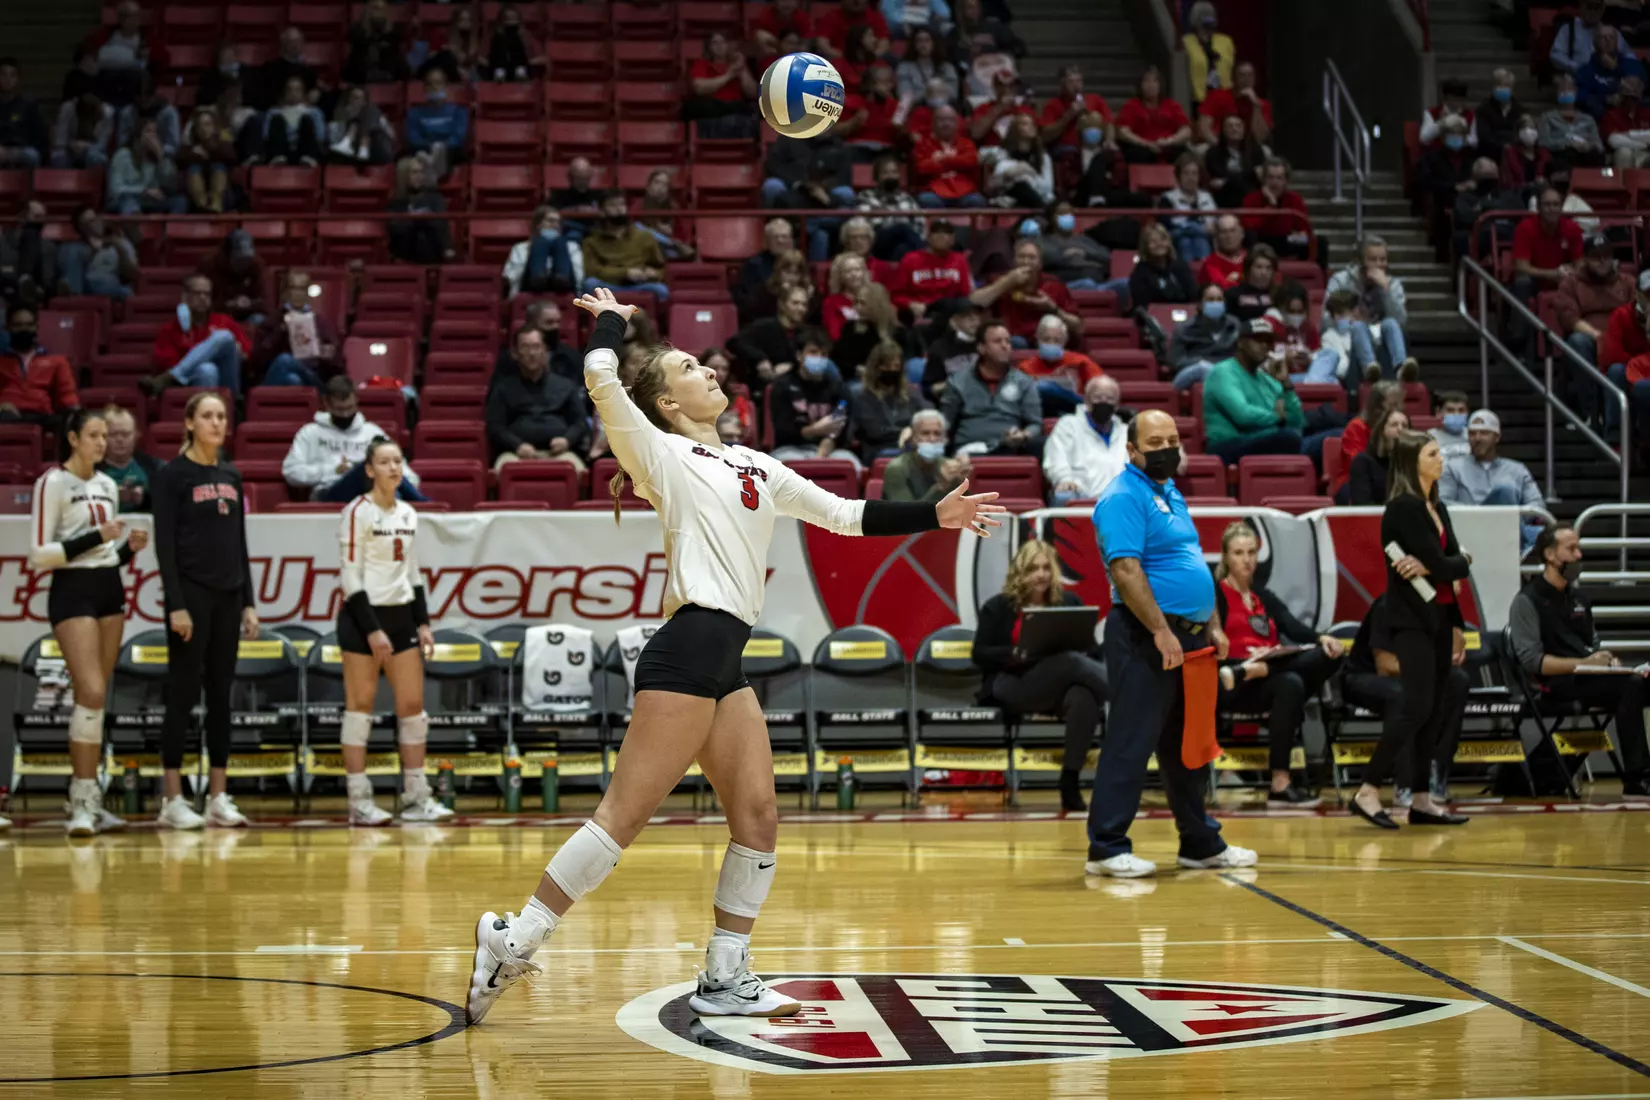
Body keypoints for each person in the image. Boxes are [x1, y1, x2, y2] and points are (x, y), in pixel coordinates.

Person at [462, 287, 1003, 1025]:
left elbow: (845, 516)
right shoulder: (657, 449)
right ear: (667, 401)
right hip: (688, 649)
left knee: (757, 817)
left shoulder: (756, 464)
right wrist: (616, 322)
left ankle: (724, 973)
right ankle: (513, 937)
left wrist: (932, 516)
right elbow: (599, 374)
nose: (710, 371)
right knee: (622, 817)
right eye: (691, 367)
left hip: (727, 659)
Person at [1086, 409, 1254, 876]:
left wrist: (1214, 624)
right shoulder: (1122, 497)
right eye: (1155, 442)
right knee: (1131, 740)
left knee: (1188, 745)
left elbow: (1193, 563)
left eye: (1173, 439)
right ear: (1132, 450)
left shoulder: (1170, 493)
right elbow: (1126, 569)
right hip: (1145, 634)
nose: (1167, 449)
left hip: (1190, 636)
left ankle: (1199, 843)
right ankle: (1107, 846)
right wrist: (1161, 631)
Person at [28, 409, 146, 835]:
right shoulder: (53, 482)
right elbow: (41, 554)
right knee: (91, 690)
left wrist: (128, 550)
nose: (103, 443)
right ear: (73, 438)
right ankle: (81, 801)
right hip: (71, 590)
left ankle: (88, 800)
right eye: (94, 435)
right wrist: (96, 537)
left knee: (95, 699)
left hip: (108, 588)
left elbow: (107, 554)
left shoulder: (107, 484)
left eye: (107, 435)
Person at [1352, 431, 1472, 829]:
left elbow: (1454, 561)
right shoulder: (1403, 508)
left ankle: (1421, 799)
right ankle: (1368, 790)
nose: (1441, 459)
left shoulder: (1437, 505)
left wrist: (1449, 562)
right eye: (1432, 454)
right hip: (1410, 621)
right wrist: (1445, 563)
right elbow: (1445, 563)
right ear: (1411, 462)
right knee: (1416, 707)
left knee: (1433, 711)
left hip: (1439, 618)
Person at [151, 392, 259, 830]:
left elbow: (240, 543)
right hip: (190, 598)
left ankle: (217, 795)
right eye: (208, 416)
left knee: (220, 695)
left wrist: (249, 600)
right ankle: (172, 798)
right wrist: (176, 604)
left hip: (229, 595)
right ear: (190, 423)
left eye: (221, 416)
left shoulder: (231, 473)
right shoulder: (172, 475)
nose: (217, 423)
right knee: (182, 693)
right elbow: (164, 545)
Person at [334, 437, 453, 825]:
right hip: (362, 620)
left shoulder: (407, 513)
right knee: (360, 710)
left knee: (413, 711)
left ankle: (416, 798)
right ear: (369, 470)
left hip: (401, 618)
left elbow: (413, 572)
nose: (392, 469)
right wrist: (372, 631)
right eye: (383, 462)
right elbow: (350, 576)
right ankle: (359, 800)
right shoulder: (357, 512)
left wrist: (423, 623)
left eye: (397, 462)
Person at [1510, 522, 1649, 795]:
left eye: (1579, 548)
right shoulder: (1527, 601)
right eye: (1571, 549)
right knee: (1631, 687)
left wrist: (1608, 660)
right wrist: (1584, 664)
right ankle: (1638, 776)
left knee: (1640, 682)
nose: (1579, 556)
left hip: (1591, 678)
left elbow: (1593, 644)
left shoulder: (1581, 599)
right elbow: (1533, 662)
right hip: (1554, 684)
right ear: (1550, 555)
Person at [1212, 522, 1343, 804]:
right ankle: (1281, 783)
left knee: (1328, 656)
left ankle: (1280, 784)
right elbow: (1211, 649)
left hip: (1265, 676)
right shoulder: (1217, 595)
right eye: (1238, 553)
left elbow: (1295, 629)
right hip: (1231, 682)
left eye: (1251, 552)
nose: (1246, 560)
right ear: (1225, 557)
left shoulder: (1263, 597)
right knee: (1291, 682)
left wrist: (1323, 638)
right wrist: (1242, 664)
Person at [975, 539, 1108, 812]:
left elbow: (1092, 652)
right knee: (1071, 662)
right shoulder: (998, 606)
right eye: (1033, 568)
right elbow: (979, 654)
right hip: (1013, 685)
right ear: (1020, 572)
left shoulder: (1069, 602)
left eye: (1046, 567)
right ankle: (1129, 695)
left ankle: (1069, 781)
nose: (1041, 574)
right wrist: (1015, 652)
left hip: (1056, 686)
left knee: (1084, 697)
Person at [1341, 593, 1469, 809]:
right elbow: (1385, 666)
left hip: (1412, 675)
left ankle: (1435, 774)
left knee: (1458, 680)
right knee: (1404, 695)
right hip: (1365, 678)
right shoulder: (1388, 606)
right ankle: (1405, 784)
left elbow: (1455, 653)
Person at [284, 376, 424, 502]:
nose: (345, 414)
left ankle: (421, 505)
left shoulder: (371, 432)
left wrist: (408, 480)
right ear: (326, 404)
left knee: (391, 491)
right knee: (369, 467)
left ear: (356, 401)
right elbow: (291, 471)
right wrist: (334, 469)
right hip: (329, 492)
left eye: (349, 408)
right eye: (339, 409)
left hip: (371, 492)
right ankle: (425, 504)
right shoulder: (310, 433)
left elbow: (401, 467)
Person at [1439, 409, 1547, 551]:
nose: (1477, 438)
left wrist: (1513, 520)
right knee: (1505, 491)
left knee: (1551, 536)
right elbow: (1443, 502)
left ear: (1496, 437)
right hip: (1471, 529)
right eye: (1472, 433)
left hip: (1510, 531)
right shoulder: (1452, 467)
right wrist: (1485, 514)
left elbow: (1537, 505)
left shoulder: (1517, 469)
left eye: (1484, 433)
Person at [487, 327, 593, 471]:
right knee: (502, 470)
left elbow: (580, 422)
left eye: (536, 347)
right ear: (515, 353)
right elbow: (495, 426)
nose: (531, 353)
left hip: (561, 453)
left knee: (578, 471)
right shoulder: (503, 388)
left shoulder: (566, 386)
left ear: (545, 351)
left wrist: (567, 440)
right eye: (525, 347)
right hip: (515, 453)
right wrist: (516, 445)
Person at [1202, 319, 1307, 464]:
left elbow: (1296, 420)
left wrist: (1286, 383)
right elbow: (1243, 415)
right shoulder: (1223, 372)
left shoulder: (1266, 378)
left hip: (1265, 441)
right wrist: (1279, 416)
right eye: (1258, 340)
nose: (1264, 346)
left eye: (1268, 341)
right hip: (1228, 446)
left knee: (1328, 434)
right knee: (1290, 438)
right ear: (1240, 343)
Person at [1554, 233, 1634, 422]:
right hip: (1590, 337)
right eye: (1596, 257)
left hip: (1623, 338)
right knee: (1577, 341)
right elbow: (1569, 318)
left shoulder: (1627, 282)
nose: (1602, 261)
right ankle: (1589, 410)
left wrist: (1614, 337)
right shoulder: (1571, 283)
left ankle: (1618, 419)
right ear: (1585, 259)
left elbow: (1637, 313)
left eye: (1606, 256)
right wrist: (1598, 335)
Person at [939, 320, 1044, 457]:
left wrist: (1023, 435)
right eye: (997, 341)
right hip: (970, 449)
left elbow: (1035, 424)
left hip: (1009, 446)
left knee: (1042, 444)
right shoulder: (958, 381)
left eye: (1008, 341)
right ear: (982, 348)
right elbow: (945, 423)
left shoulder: (1023, 381)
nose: (1005, 346)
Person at [1324, 236, 1414, 382]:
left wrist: (1386, 291)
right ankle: (1369, 370)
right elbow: (1325, 319)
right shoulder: (1340, 281)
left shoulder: (1393, 284)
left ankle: (1401, 369)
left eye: (1383, 259)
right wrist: (1349, 322)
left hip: (1382, 342)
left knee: (1390, 323)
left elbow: (1401, 322)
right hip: (1349, 340)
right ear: (1360, 262)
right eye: (1373, 259)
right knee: (1359, 326)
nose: (1379, 264)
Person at [145, 274, 251, 396]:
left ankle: (172, 376)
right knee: (207, 370)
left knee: (225, 336)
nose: (202, 298)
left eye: (207, 294)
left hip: (227, 382)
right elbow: (165, 363)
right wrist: (204, 352)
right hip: (189, 384)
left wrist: (236, 351)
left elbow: (247, 355)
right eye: (197, 293)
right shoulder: (170, 329)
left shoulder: (223, 321)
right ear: (185, 297)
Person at [975, 238, 1081, 347]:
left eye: (1031, 257)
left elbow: (1078, 327)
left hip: (1044, 341)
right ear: (1014, 261)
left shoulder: (1053, 285)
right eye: (1021, 256)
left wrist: (1053, 309)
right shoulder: (1001, 280)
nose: (1026, 262)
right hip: (1011, 342)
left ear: (1040, 264)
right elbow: (974, 301)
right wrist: (1006, 283)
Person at [1044, 374, 1128, 505]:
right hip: (1079, 494)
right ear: (1087, 401)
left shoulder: (1126, 431)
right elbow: (1056, 458)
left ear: (1117, 405)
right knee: (1063, 495)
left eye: (1110, 398)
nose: (1104, 402)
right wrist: (1064, 479)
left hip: (1121, 499)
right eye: (1098, 397)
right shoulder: (1068, 425)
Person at [255, 269, 342, 388]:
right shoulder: (273, 320)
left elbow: (337, 363)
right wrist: (280, 331)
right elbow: (258, 359)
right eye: (294, 288)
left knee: (286, 361)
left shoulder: (320, 322)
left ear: (307, 292)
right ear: (286, 292)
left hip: (311, 375)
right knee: (292, 379)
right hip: (278, 374)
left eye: (302, 288)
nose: (298, 293)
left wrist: (329, 355)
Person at [847, 340, 929, 463]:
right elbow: (851, 433)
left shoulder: (911, 393)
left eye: (895, 366)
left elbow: (931, 417)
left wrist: (912, 430)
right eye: (885, 366)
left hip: (911, 449)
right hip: (877, 453)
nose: (891, 370)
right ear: (875, 368)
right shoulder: (859, 396)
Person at [582, 191, 670, 303]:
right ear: (602, 211)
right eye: (612, 205)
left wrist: (652, 274)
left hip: (640, 285)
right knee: (589, 284)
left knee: (661, 290)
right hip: (609, 285)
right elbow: (592, 270)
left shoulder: (645, 236)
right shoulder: (591, 241)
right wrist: (625, 273)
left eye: (622, 204)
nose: (619, 209)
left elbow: (660, 267)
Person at [0, 305, 80, 425]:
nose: (24, 329)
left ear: (36, 327)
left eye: (28, 325)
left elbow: (67, 396)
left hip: (43, 419)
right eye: (18, 325)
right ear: (7, 328)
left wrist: (75, 414)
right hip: (6, 419)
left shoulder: (57, 361)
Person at [1512, 186, 1586, 313]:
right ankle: (1520, 333)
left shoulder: (1572, 228)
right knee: (1522, 282)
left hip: (1563, 278)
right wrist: (1552, 274)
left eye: (1556, 204)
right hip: (1535, 279)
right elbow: (1521, 267)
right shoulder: (1525, 228)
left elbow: (1580, 263)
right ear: (1539, 208)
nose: (1552, 209)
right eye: (1547, 205)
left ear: (1561, 207)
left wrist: (1571, 272)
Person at [891, 218, 976, 322]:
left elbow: (964, 294)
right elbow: (896, 295)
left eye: (946, 233)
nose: (941, 236)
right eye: (937, 232)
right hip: (921, 311)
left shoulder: (960, 260)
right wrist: (910, 304)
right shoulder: (910, 259)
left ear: (953, 238)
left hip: (949, 313)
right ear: (929, 237)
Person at [1599, 269, 1650, 440]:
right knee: (1616, 371)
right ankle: (1616, 437)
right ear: (1637, 294)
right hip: (1631, 372)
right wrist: (1640, 364)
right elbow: (1613, 356)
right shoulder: (1621, 315)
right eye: (1648, 294)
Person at [880, 409, 971, 500]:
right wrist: (941, 486)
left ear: (944, 439)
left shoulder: (949, 466)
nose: (932, 439)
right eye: (925, 433)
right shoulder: (896, 468)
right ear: (913, 438)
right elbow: (905, 512)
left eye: (937, 433)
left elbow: (964, 507)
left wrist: (962, 483)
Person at [1019, 315, 1100, 415]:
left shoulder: (1081, 362)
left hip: (1077, 413)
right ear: (1038, 340)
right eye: (1046, 339)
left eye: (1057, 340)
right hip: (1039, 413)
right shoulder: (1025, 367)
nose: (1051, 344)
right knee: (1041, 387)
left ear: (1064, 342)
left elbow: (1100, 388)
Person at [1168, 283, 1241, 391]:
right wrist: (1199, 361)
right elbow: (1175, 361)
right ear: (1200, 304)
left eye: (1219, 299)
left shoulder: (1233, 325)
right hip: (1194, 371)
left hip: (1226, 370)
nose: (1216, 303)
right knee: (1204, 368)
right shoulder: (1185, 329)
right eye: (1210, 300)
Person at [685, 31, 758, 138]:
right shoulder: (702, 64)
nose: (719, 46)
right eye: (715, 43)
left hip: (735, 109)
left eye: (723, 42)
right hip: (712, 110)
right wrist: (729, 75)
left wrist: (741, 68)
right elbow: (699, 88)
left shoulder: (738, 65)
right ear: (709, 47)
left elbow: (753, 92)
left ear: (728, 45)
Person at [105, 117, 185, 215]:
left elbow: (171, 185)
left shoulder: (154, 157)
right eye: (148, 131)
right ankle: (135, 230)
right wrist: (143, 190)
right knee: (130, 203)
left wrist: (161, 157)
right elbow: (116, 188)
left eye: (155, 132)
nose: (152, 136)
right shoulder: (122, 155)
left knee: (180, 202)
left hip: (147, 201)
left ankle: (169, 230)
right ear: (138, 135)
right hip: (124, 200)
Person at [1268, 282, 1342, 384]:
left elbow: (1317, 356)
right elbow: (1263, 362)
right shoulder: (1269, 326)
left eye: (1300, 311)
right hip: (1282, 379)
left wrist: (1309, 360)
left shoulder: (1308, 328)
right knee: (1332, 382)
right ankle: (1314, 383)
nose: (1296, 316)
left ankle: (1312, 382)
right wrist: (1285, 359)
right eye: (1291, 311)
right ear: (1280, 309)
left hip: (1306, 376)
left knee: (1331, 353)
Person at [1241, 159, 1313, 263]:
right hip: (1260, 241)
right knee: (1249, 236)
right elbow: (1247, 225)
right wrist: (1271, 206)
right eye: (1270, 177)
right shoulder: (1251, 199)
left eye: (1279, 178)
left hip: (1285, 240)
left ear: (1286, 181)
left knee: (1319, 242)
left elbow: (1305, 232)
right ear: (1263, 180)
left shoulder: (1295, 199)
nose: (1274, 182)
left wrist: (1300, 235)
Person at [912, 106, 984, 209]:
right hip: (934, 192)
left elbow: (970, 161)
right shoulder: (923, 144)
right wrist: (956, 161)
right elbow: (922, 168)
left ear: (957, 123)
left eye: (950, 120)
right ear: (933, 124)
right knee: (926, 200)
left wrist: (942, 159)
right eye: (941, 120)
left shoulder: (967, 144)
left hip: (965, 191)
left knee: (977, 201)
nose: (946, 124)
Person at [1116, 66, 1191, 164]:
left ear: (1160, 85)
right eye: (1147, 81)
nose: (1150, 85)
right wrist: (1145, 143)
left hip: (1168, 146)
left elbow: (1186, 130)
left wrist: (1169, 141)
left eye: (1155, 82)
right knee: (1136, 153)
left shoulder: (1172, 105)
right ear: (1141, 86)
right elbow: (1123, 131)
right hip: (1140, 147)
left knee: (1185, 154)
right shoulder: (1131, 105)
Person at [387, 156, 454, 265]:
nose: (420, 176)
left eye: (421, 172)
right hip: (405, 256)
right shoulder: (394, 204)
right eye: (414, 172)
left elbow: (441, 225)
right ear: (404, 176)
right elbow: (396, 230)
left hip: (433, 255)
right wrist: (416, 219)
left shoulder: (434, 198)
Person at [403, 69, 468, 179]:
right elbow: (413, 138)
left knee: (451, 152)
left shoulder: (459, 111)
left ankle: (432, 171)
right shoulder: (414, 113)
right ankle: (433, 169)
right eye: (429, 84)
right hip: (423, 151)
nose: (434, 87)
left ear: (446, 86)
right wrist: (432, 148)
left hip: (449, 152)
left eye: (438, 83)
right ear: (424, 88)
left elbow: (458, 138)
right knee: (416, 154)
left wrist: (441, 147)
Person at [504, 206, 579, 299]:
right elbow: (511, 276)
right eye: (550, 221)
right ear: (538, 224)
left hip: (564, 288)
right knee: (541, 242)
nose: (555, 225)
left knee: (560, 243)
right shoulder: (520, 248)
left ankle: (561, 278)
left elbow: (578, 274)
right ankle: (538, 278)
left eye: (558, 222)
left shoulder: (572, 247)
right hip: (530, 287)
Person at [98, 405, 160, 513]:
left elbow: (170, 499)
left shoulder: (153, 466)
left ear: (136, 435)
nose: (120, 439)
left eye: (126, 434)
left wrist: (145, 498)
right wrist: (111, 496)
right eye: (113, 434)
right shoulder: (91, 469)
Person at [1197, 59, 1272, 147]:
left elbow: (1260, 137)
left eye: (1250, 75)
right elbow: (1204, 128)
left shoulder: (1262, 104)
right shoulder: (1217, 96)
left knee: (1266, 153)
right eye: (1242, 75)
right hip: (1216, 144)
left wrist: (1256, 106)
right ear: (1233, 78)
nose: (1246, 79)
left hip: (1248, 148)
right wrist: (1220, 147)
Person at [197, 231, 265, 327]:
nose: (243, 264)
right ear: (228, 255)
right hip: (218, 314)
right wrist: (230, 304)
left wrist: (250, 303)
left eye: (247, 260)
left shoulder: (256, 266)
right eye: (239, 260)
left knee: (259, 319)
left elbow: (263, 301)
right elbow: (201, 301)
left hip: (246, 315)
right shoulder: (209, 266)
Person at [1576, 25, 1645, 119]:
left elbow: (1638, 85)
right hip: (1602, 114)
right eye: (1602, 37)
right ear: (1595, 43)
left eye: (1611, 37)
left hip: (1629, 112)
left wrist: (1616, 68)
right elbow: (1580, 95)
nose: (1607, 40)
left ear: (1616, 42)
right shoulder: (1585, 70)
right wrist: (1606, 99)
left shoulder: (1631, 64)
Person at [178, 107, 239, 211]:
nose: (203, 128)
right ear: (195, 129)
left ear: (214, 127)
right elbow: (179, 159)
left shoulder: (223, 145)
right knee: (194, 169)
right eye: (200, 125)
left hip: (224, 195)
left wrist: (208, 149)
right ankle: (203, 205)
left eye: (207, 124)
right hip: (194, 197)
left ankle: (216, 204)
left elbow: (232, 158)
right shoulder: (190, 148)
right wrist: (194, 153)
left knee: (218, 167)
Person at [1159, 152, 1217, 261]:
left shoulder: (1207, 197)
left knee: (1200, 240)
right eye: (1186, 173)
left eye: (1194, 173)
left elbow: (1213, 226)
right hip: (1177, 237)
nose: (1191, 178)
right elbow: (1165, 228)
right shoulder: (1167, 198)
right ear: (1178, 176)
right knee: (1185, 239)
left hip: (1203, 237)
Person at [1540, 74, 1606, 169]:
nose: (1566, 92)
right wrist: (1567, 144)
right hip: (1561, 152)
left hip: (1585, 152)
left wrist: (1588, 146)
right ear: (1557, 93)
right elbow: (1544, 142)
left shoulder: (1588, 119)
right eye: (1562, 89)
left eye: (1569, 89)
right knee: (1568, 155)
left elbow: (1598, 143)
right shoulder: (1547, 117)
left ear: (1575, 92)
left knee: (1597, 155)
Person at [1041, 200, 1111, 289]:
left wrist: (1085, 253)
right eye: (1063, 213)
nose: (1068, 216)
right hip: (1067, 282)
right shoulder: (1045, 240)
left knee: (1123, 284)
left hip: (1097, 281)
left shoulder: (1084, 239)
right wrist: (1065, 255)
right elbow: (1046, 258)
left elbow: (1106, 256)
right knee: (1087, 284)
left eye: (1070, 213)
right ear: (1051, 218)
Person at [1346, 407, 1409, 505]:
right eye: (1394, 425)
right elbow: (1362, 505)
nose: (1400, 429)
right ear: (1382, 431)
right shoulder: (1363, 462)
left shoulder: (1414, 463)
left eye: (1405, 425)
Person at [263, 75, 326, 166]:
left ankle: (308, 158)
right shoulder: (273, 113)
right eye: (290, 90)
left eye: (297, 90)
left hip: (304, 149)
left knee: (306, 119)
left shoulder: (314, 112)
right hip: (283, 149)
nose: (293, 93)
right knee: (277, 120)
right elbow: (266, 135)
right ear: (284, 92)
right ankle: (278, 158)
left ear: (303, 93)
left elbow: (320, 136)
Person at [1205, 114, 1264, 208]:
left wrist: (1227, 180)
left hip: (1251, 195)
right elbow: (1217, 179)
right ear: (1223, 130)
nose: (1234, 129)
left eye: (1238, 126)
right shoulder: (1213, 153)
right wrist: (1250, 174)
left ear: (1244, 129)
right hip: (1226, 197)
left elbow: (1259, 176)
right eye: (1230, 126)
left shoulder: (1255, 151)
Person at [1181, 1, 1234, 106]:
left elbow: (1230, 68)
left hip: (1224, 97)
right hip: (1199, 99)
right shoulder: (1186, 42)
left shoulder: (1226, 41)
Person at [344, 0, 408, 86]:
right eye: (375, 8)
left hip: (388, 74)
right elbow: (354, 60)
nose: (378, 12)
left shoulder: (394, 32)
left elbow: (398, 60)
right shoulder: (357, 31)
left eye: (382, 9)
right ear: (368, 10)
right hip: (362, 75)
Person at [0, 57, 49, 168]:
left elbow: (40, 137)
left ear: (17, 79)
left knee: (32, 156)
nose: (8, 79)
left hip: (22, 150)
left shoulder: (28, 105)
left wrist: (16, 151)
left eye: (12, 75)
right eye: (3, 75)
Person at [1340, 380, 1403, 464]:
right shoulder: (1356, 427)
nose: (1400, 409)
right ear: (1377, 408)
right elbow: (1359, 465)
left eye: (1401, 403)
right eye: (1394, 405)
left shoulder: (1400, 425)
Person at [51, 88, 113, 169]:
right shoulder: (68, 108)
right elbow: (60, 139)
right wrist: (70, 144)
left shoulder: (107, 114)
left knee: (96, 158)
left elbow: (102, 144)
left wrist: (86, 146)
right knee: (59, 156)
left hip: (92, 149)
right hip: (70, 148)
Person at [485, 2, 542, 83]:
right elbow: (483, 58)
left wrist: (529, 61)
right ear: (502, 21)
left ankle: (520, 72)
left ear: (519, 20)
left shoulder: (527, 36)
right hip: (499, 70)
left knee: (515, 39)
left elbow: (539, 58)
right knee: (499, 39)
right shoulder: (495, 37)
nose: (510, 22)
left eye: (513, 18)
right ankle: (500, 72)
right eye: (507, 19)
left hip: (522, 68)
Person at [1551, 0, 1608, 75]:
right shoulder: (1568, 29)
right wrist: (1575, 66)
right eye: (1589, 6)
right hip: (1576, 78)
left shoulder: (1610, 32)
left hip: (1604, 79)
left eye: (1596, 7)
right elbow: (1555, 55)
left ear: (1602, 9)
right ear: (1581, 6)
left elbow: (1627, 55)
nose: (1592, 11)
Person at [1223, 244, 1278, 323]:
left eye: (1268, 268)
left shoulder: (1278, 295)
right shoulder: (1232, 294)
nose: (1264, 272)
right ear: (1248, 269)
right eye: (1259, 267)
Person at [1502, 114, 1552, 195]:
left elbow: (1549, 177)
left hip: (1541, 194)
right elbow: (1507, 180)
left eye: (1532, 127)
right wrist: (1526, 186)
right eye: (1524, 127)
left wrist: (1544, 183)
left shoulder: (1543, 152)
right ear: (1518, 132)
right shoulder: (1509, 152)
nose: (1528, 131)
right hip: (1517, 194)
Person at [1201, 214, 1249, 290]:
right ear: (1217, 236)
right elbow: (1222, 287)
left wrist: (1237, 278)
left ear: (1241, 233)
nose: (1229, 236)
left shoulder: (1251, 258)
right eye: (1224, 232)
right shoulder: (1210, 262)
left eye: (1232, 231)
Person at [1430, 390, 1472, 459]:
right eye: (1450, 410)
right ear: (1438, 412)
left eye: (1461, 410)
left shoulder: (1475, 436)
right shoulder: (1429, 438)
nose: (1456, 414)